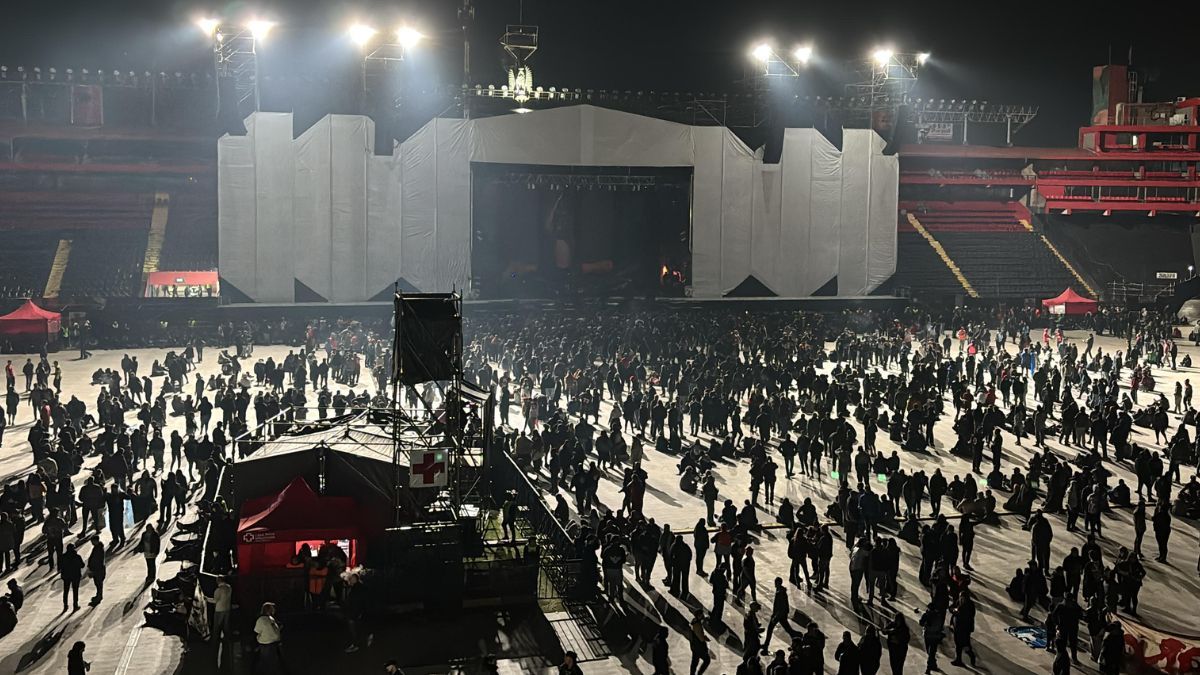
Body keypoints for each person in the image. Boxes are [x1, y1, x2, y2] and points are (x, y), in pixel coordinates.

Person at [255, 602, 285, 672]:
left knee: (267, 661)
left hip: (269, 642)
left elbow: (257, 631)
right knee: (269, 661)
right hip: (270, 642)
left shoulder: (268, 619)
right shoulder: (265, 619)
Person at [60, 542, 85, 612]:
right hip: (75, 576)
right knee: (75, 590)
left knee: (66, 591)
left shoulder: (63, 557)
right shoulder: (77, 556)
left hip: (66, 576)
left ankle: (65, 605)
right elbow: (82, 565)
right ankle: (75, 605)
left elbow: (60, 566)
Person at [689, 610, 712, 675]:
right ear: (698, 616)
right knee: (707, 660)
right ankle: (699, 673)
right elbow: (701, 638)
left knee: (695, 661)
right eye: (702, 615)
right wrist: (705, 638)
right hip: (699, 647)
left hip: (694, 645)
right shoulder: (697, 625)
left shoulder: (694, 621)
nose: (703, 616)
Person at [87, 536, 106, 606]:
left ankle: (99, 597)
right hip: (97, 569)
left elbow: (97, 560)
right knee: (97, 584)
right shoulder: (97, 547)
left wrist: (93, 569)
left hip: (98, 570)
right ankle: (98, 595)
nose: (91, 543)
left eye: (92, 541)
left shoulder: (98, 549)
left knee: (98, 584)